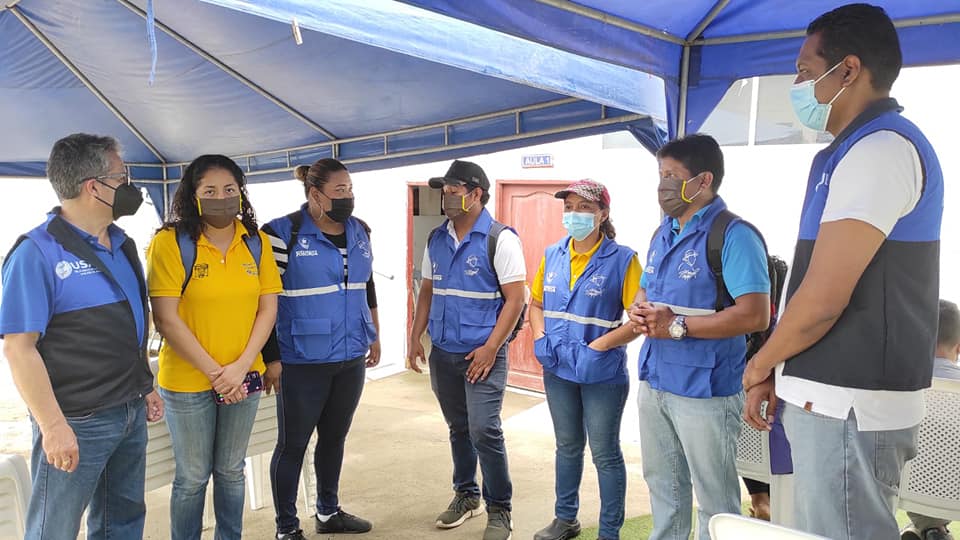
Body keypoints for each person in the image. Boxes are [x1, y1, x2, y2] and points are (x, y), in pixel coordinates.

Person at [741, 4, 944, 540]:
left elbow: (823, 298)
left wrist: (761, 362)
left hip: (851, 403)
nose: (797, 86)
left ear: (848, 70)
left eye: (805, 71)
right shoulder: (848, 152)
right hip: (828, 398)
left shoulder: (881, 149)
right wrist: (781, 371)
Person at [0, 133, 162, 539]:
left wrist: (145, 383)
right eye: (122, 177)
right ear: (94, 187)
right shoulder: (36, 252)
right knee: (54, 528)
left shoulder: (123, 244)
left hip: (128, 409)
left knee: (123, 521)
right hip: (77, 419)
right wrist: (53, 426)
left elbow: (130, 322)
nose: (129, 187)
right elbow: (19, 349)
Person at [628, 133, 771, 540]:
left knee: (715, 499)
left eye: (671, 175)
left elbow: (755, 314)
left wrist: (677, 325)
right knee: (664, 488)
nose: (663, 185)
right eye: (660, 175)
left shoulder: (734, 235)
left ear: (703, 180)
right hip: (656, 381)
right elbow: (647, 291)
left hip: (706, 390)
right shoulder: (662, 233)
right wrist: (639, 309)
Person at [147, 154, 282, 540]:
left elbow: (268, 309)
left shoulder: (255, 242)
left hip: (243, 377)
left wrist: (240, 368)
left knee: (231, 470)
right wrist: (216, 373)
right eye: (209, 191)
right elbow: (166, 318)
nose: (221, 198)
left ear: (240, 192)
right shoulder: (170, 243)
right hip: (188, 382)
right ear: (192, 195)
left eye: (229, 189)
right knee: (192, 477)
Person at [406, 160, 526, 540]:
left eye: (454, 190)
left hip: (482, 356)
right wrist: (414, 336)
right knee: (458, 427)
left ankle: (500, 509)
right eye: (444, 191)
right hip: (443, 352)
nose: (447, 197)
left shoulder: (500, 239)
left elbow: (516, 300)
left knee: (484, 429)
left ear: (476, 194)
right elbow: (427, 291)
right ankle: (466, 495)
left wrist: (492, 348)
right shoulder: (436, 239)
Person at [261, 158, 380, 540]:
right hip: (301, 360)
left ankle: (328, 513)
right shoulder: (281, 234)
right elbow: (262, 301)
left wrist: (374, 332)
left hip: (350, 356)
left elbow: (366, 284)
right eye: (339, 190)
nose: (348, 197)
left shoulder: (360, 231)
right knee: (292, 445)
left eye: (350, 189)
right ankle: (286, 527)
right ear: (315, 194)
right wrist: (271, 358)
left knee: (334, 438)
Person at [529, 179, 641, 540]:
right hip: (558, 367)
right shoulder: (552, 254)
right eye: (569, 208)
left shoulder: (624, 260)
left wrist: (599, 347)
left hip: (601, 374)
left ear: (603, 214)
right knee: (567, 446)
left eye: (584, 208)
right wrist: (540, 337)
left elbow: (638, 321)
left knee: (605, 453)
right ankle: (565, 519)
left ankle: (609, 532)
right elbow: (536, 304)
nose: (574, 215)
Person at [900, 300, 960, 540]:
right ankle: (932, 530)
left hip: (909, 489)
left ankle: (928, 528)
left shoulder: (900, 383)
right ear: (958, 347)